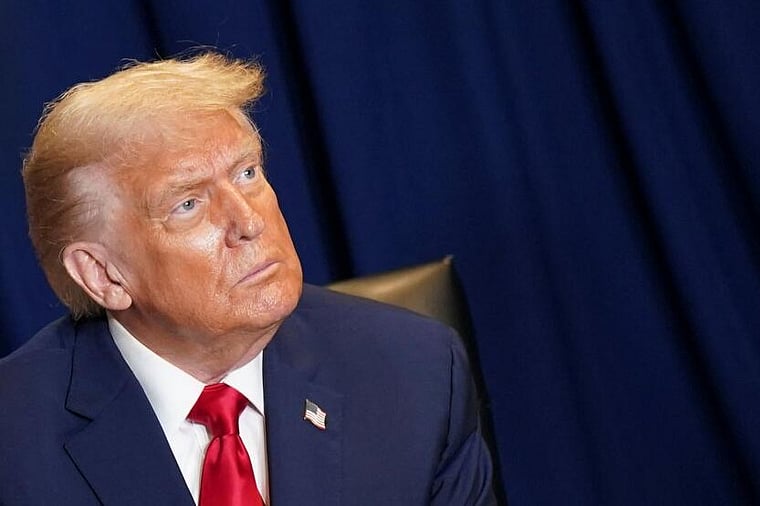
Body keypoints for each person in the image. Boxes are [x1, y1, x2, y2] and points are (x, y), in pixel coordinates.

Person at [0, 53, 495, 505]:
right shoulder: (15, 447)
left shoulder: (413, 372)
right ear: (103, 274)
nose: (249, 222)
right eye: (188, 204)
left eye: (247, 174)